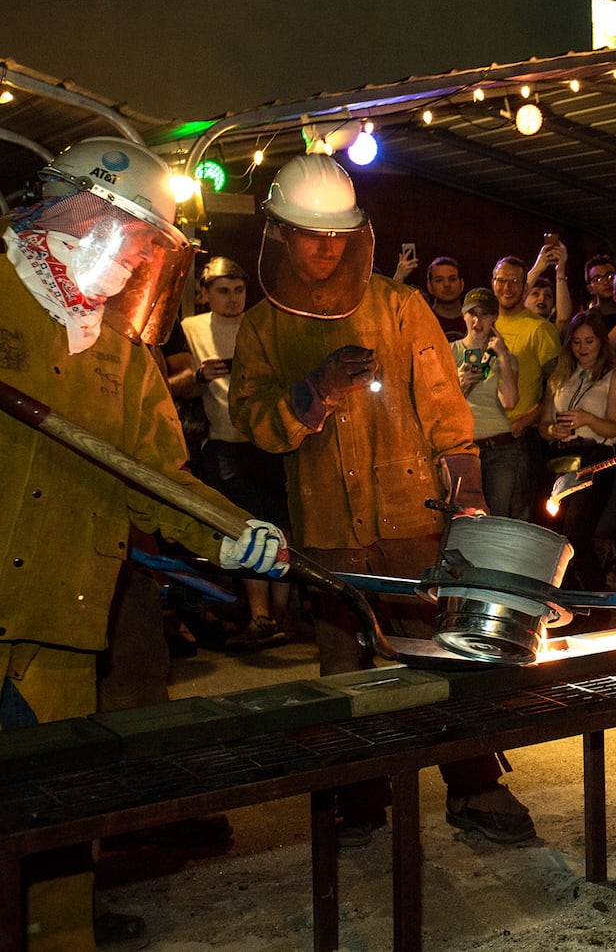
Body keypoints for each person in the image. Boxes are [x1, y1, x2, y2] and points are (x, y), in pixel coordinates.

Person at [1, 137, 289, 948]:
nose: (139, 261)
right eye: (136, 239)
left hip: (61, 615)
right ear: (84, 212)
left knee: (57, 807)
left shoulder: (124, 359)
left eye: (152, 249)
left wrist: (237, 535)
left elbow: (161, 475)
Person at [231, 154, 536, 846]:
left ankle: (474, 783)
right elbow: (255, 421)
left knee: (440, 653)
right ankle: (359, 792)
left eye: (337, 233)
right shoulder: (263, 328)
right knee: (344, 663)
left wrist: (467, 505)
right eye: (311, 234)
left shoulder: (399, 306)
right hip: (329, 527)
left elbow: (447, 414)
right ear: (280, 233)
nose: (326, 247)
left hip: (412, 520)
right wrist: (311, 393)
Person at [180, 256, 295, 649]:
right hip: (225, 440)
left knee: (281, 523)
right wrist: (198, 376)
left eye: (239, 290)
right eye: (223, 291)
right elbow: (171, 383)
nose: (232, 299)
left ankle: (279, 616)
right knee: (247, 524)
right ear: (205, 292)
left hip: (268, 438)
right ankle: (262, 616)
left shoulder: (264, 322)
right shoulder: (191, 328)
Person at [538, 309, 616, 590]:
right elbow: (544, 424)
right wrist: (554, 430)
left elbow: (614, 427)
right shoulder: (561, 375)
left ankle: (595, 599)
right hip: (560, 456)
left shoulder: (615, 375)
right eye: (577, 342)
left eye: (589, 341)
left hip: (594, 458)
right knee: (552, 535)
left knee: (576, 532)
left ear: (601, 341)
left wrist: (587, 418)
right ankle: (568, 600)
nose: (583, 348)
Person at [489, 255, 560, 520]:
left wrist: (529, 419)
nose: (507, 288)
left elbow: (558, 385)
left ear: (524, 286)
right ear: (492, 282)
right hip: (479, 437)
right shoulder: (482, 322)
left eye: (515, 282)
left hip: (516, 438)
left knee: (515, 518)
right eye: (502, 281)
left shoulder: (539, 329)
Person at [453, 287, 521, 517]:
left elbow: (510, 401)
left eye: (484, 314)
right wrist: (459, 383)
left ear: (494, 318)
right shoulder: (450, 351)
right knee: (464, 516)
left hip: (500, 446)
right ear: (463, 315)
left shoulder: (506, 356)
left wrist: (502, 356)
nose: (477, 320)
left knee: (498, 515)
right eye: (472, 313)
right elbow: (439, 405)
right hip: (464, 447)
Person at [423, 255, 468, 341]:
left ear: (462, 284)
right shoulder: (422, 322)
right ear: (429, 286)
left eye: (452, 279)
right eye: (439, 280)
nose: (447, 284)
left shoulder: (476, 321)